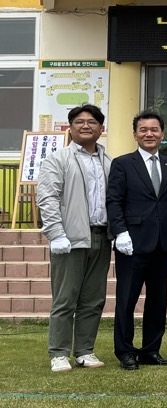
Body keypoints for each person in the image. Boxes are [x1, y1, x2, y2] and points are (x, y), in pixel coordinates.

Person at [37, 104, 112, 372]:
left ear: (101, 129)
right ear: (70, 127)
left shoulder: (109, 161)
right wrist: (56, 233)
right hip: (69, 238)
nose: (85, 126)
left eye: (92, 122)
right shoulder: (58, 159)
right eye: (79, 121)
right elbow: (47, 198)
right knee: (65, 298)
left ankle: (84, 351)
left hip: (101, 237)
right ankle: (58, 353)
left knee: (93, 299)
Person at [107, 110, 167, 370]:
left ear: (162, 134)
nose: (149, 134)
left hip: (162, 244)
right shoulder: (122, 164)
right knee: (126, 300)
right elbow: (114, 201)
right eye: (143, 130)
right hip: (132, 243)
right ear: (135, 134)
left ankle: (151, 350)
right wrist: (120, 232)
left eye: (154, 129)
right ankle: (125, 352)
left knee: (157, 300)